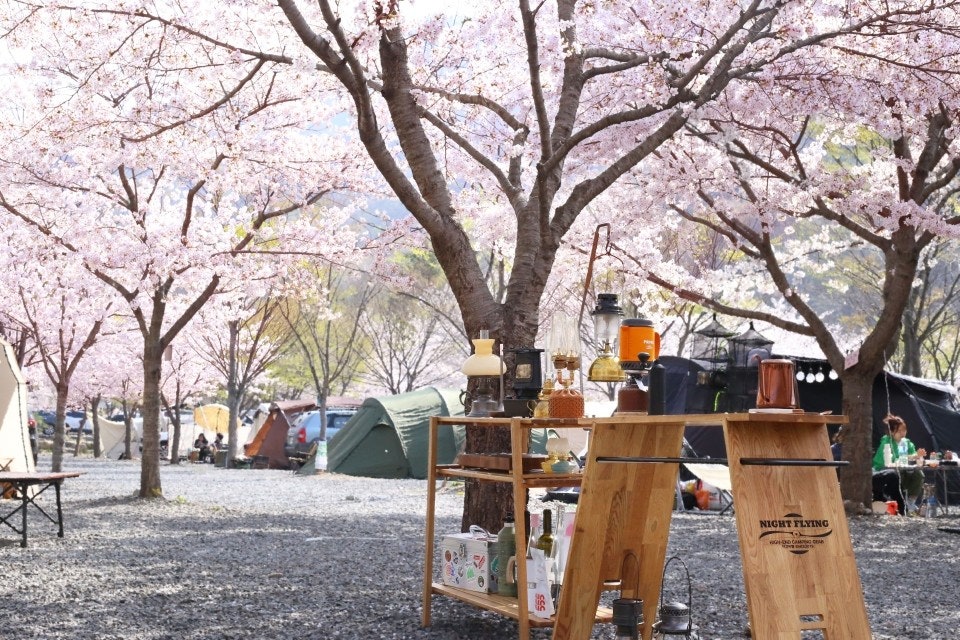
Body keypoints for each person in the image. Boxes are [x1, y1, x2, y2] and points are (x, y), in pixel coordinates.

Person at [872, 414, 926, 515]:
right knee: (896, 474)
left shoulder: (907, 442)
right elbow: (892, 461)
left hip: (903, 469)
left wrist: (919, 456)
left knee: (919, 474)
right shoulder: (886, 442)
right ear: (892, 432)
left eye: (904, 430)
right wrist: (913, 456)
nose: (903, 433)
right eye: (899, 430)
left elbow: (913, 455)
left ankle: (910, 502)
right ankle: (899, 503)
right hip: (883, 471)